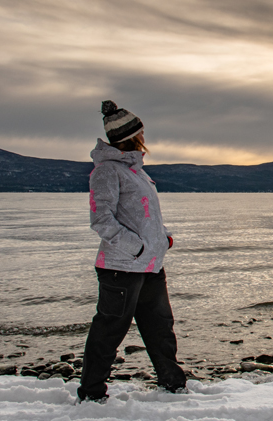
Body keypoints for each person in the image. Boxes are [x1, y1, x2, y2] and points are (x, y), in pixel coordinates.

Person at [77, 100, 186, 403]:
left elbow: (146, 218)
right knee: (109, 331)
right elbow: (102, 220)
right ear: (132, 136)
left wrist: (163, 240)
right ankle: (91, 394)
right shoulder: (107, 172)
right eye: (141, 132)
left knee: (160, 327)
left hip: (149, 265)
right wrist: (137, 248)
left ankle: (173, 385)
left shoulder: (136, 172)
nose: (145, 137)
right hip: (120, 268)